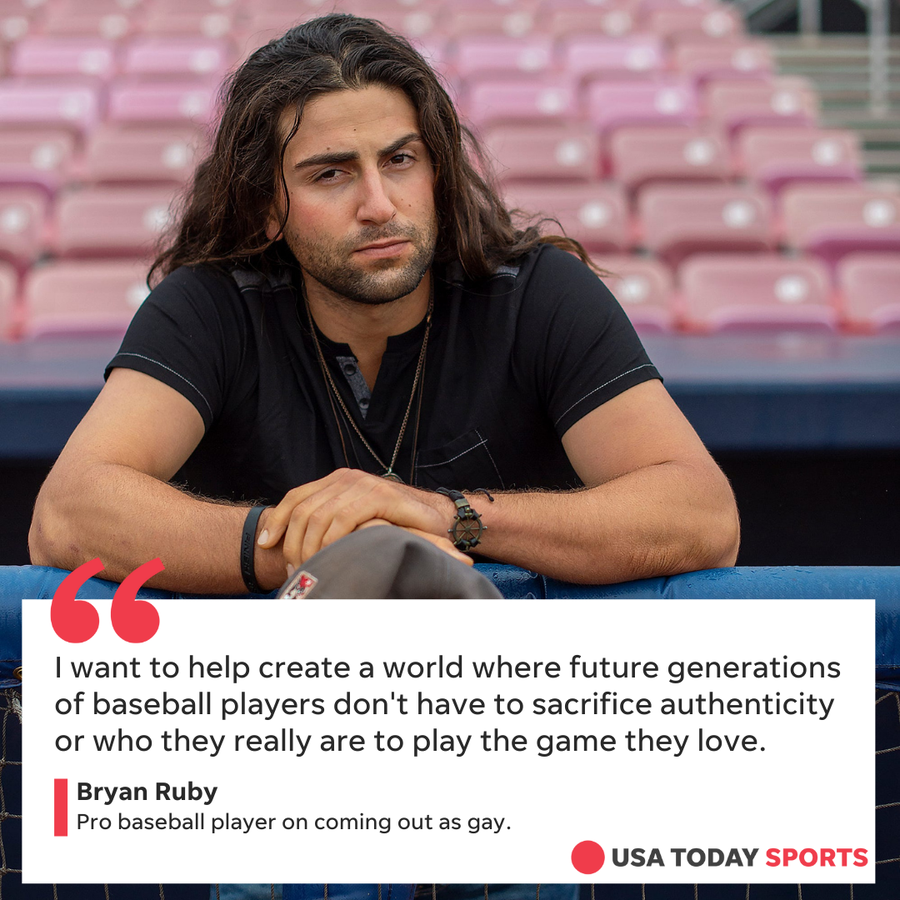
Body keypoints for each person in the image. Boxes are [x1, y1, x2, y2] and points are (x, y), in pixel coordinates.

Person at [29, 13, 739, 594]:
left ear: (435, 169)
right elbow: (68, 511)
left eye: (400, 160)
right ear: (266, 207)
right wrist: (331, 557)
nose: (379, 205)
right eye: (331, 174)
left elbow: (702, 515)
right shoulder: (212, 307)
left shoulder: (537, 295)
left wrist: (444, 516)